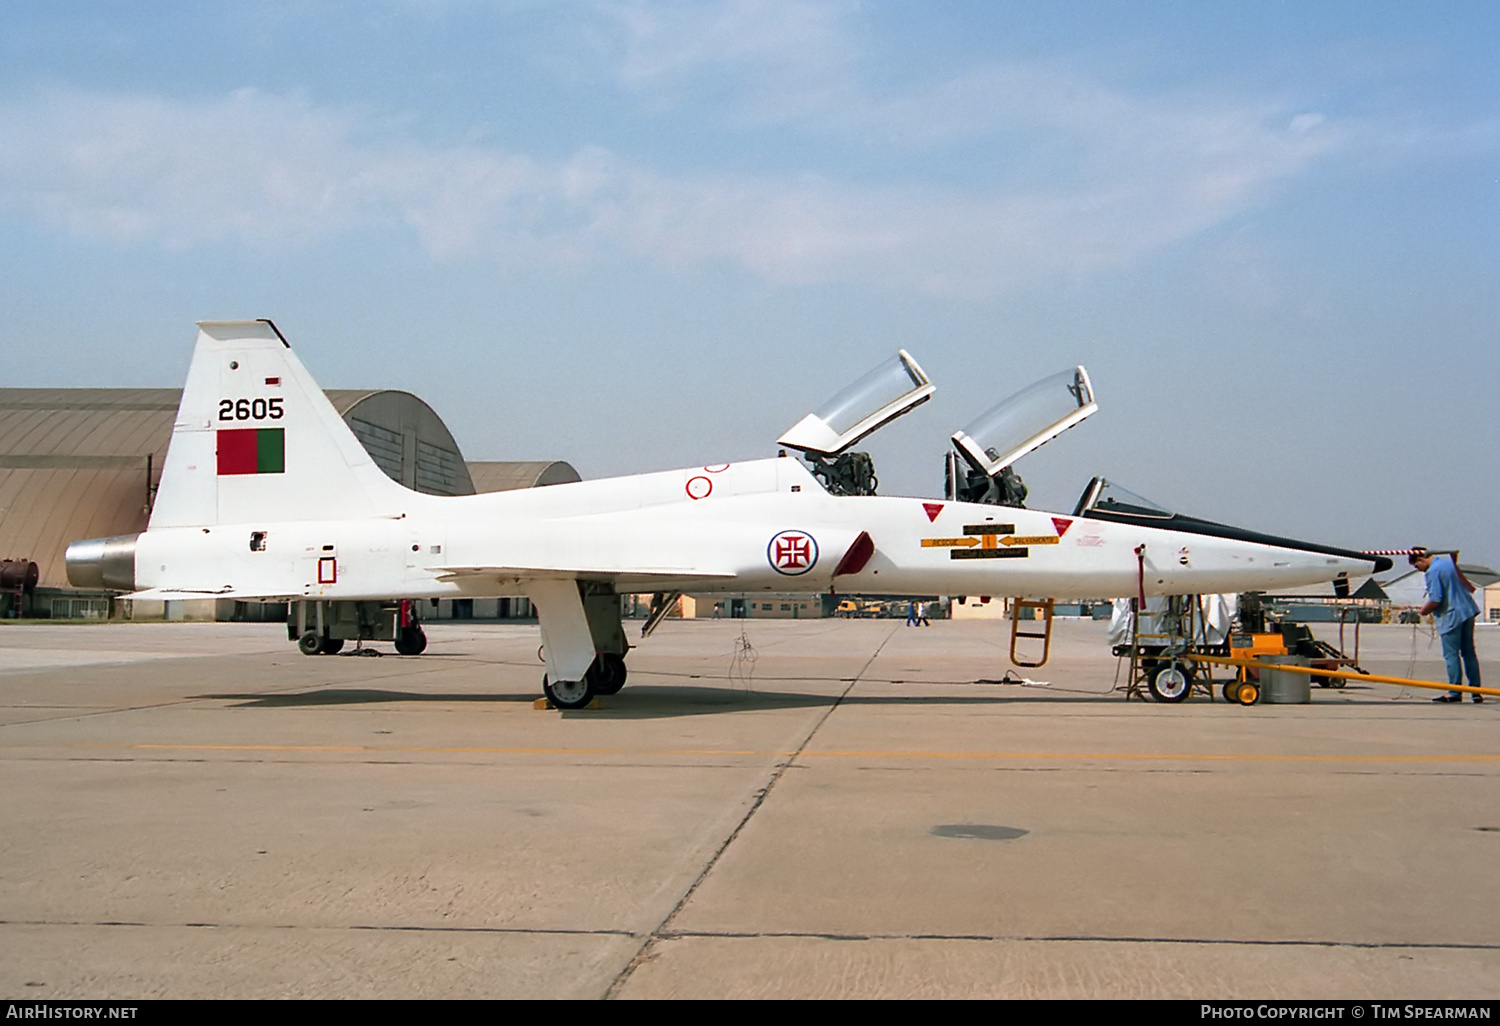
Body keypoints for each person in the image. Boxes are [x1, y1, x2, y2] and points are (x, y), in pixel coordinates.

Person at [1412, 549, 1482, 703]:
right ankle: (1476, 690)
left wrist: (1423, 611)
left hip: (1451, 616)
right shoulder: (1449, 564)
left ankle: (1454, 691)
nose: (1419, 570)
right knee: (1469, 652)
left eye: (1417, 566)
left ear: (1420, 559)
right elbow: (1466, 586)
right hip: (1468, 611)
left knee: (1451, 654)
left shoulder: (1433, 571)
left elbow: (1436, 598)